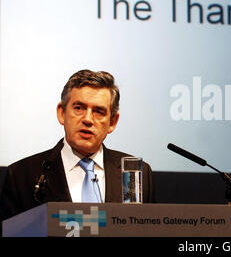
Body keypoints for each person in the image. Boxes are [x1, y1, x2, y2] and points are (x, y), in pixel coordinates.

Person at [0, 69, 155, 228]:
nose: (88, 119)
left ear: (112, 122)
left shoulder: (136, 173)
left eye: (99, 111)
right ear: (62, 113)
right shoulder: (22, 175)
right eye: (79, 108)